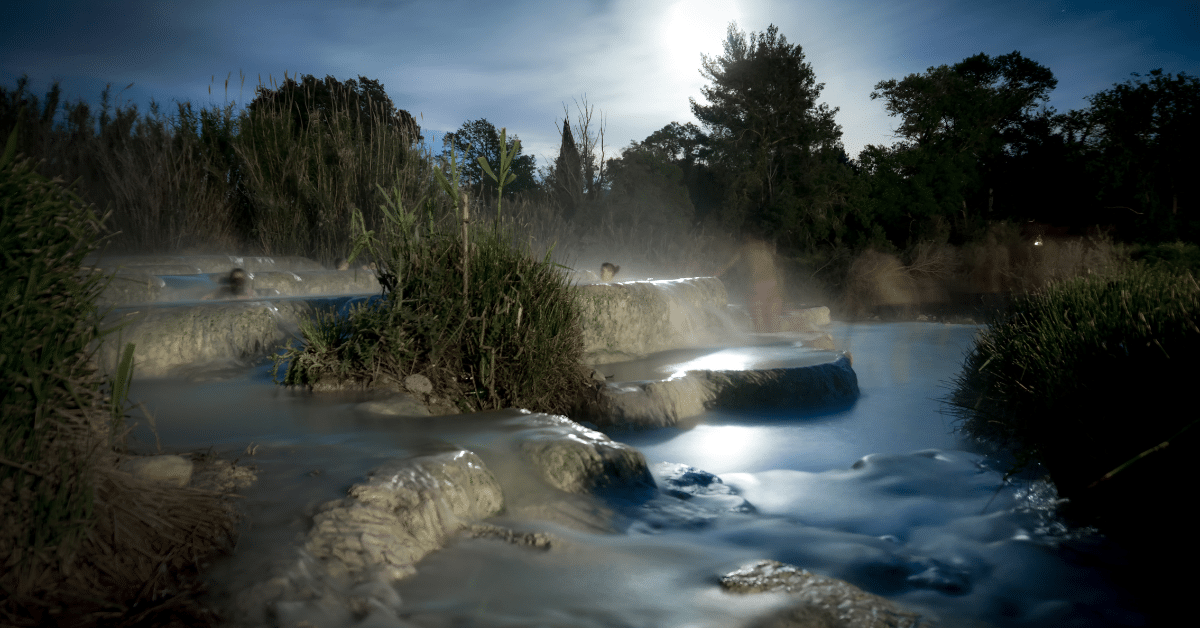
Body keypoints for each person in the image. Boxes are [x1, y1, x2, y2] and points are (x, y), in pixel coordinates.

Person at [716, 232, 783, 333]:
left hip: (758, 285)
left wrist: (713, 275)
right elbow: (779, 271)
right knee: (773, 323)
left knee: (759, 324)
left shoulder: (744, 249)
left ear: (748, 237)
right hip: (773, 284)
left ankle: (762, 342)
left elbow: (726, 267)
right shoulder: (766, 249)